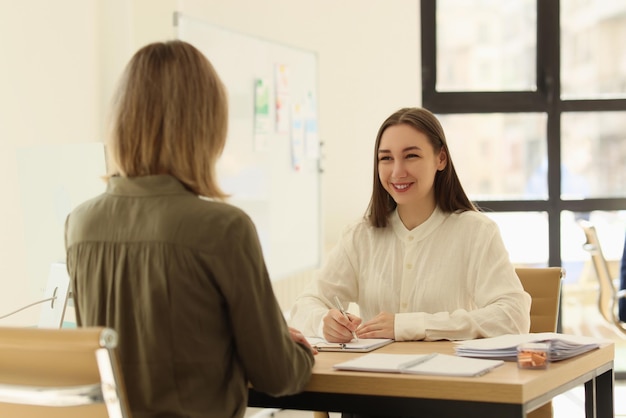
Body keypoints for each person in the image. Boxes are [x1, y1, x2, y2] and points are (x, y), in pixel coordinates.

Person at [64, 40, 315, 418]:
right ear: (205, 125)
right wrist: (293, 351)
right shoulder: (224, 229)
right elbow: (277, 375)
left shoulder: (80, 225)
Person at [290, 107, 531, 346]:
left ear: (441, 159)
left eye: (411, 156)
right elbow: (304, 305)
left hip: (446, 378)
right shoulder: (360, 236)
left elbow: (513, 317)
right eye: (386, 158)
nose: (397, 172)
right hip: (373, 379)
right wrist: (325, 322)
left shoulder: (476, 232)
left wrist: (408, 326)